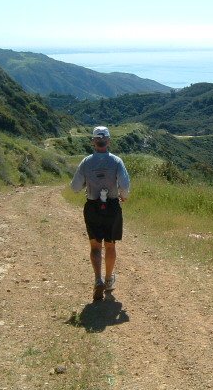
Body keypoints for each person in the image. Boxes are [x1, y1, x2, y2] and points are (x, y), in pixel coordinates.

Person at [70, 126, 131, 301]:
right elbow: (125, 186)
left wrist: (86, 184)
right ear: (108, 141)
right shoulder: (117, 161)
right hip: (112, 207)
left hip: (92, 207)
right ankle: (108, 279)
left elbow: (74, 187)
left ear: (93, 142)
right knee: (110, 246)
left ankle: (97, 279)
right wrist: (123, 196)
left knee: (95, 246)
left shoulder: (86, 162)